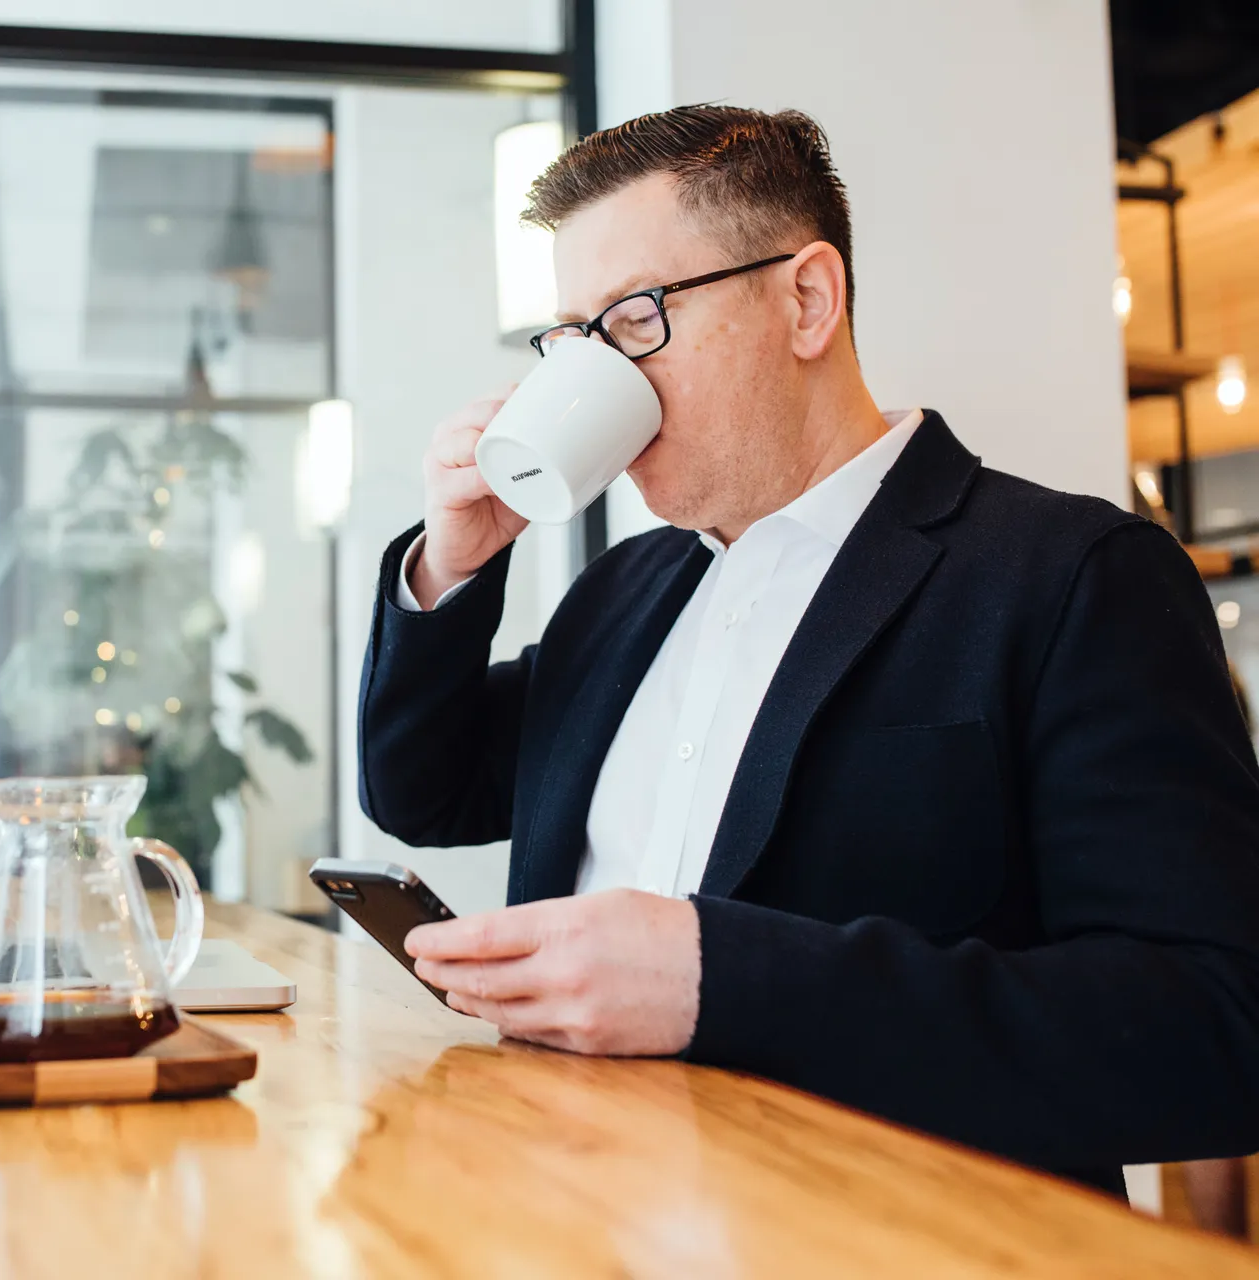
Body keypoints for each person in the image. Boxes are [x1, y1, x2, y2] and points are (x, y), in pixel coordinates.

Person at [357, 105, 1259, 1198]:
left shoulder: (1070, 574)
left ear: (807, 299)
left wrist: (717, 976)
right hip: (576, 1212)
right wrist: (449, 568)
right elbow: (427, 791)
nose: (604, 379)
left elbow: (1214, 1026)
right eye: (573, 340)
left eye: (636, 319)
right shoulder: (624, 595)